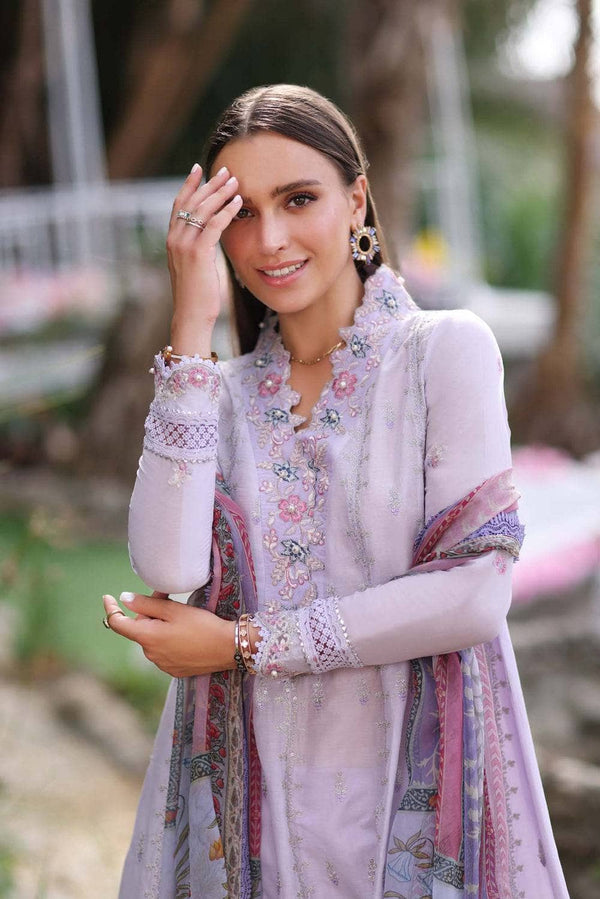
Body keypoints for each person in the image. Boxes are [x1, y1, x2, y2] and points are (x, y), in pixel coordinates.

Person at [103, 84, 569, 898]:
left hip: (412, 794)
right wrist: (190, 324)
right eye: (242, 213)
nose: (269, 239)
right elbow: (168, 567)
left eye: (299, 199)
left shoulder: (443, 354)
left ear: (357, 200)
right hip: (255, 808)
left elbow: (473, 594)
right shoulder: (215, 396)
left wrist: (243, 643)